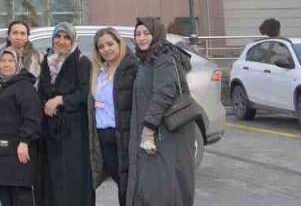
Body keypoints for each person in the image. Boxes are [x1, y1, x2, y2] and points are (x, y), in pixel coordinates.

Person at [127, 17, 196, 206]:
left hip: (164, 133)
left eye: (146, 33)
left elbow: (165, 93)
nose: (141, 38)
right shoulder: (146, 59)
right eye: (138, 34)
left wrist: (148, 129)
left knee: (163, 187)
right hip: (156, 133)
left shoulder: (163, 56)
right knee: (155, 186)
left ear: (157, 34)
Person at [39, 23, 94, 206]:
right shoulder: (47, 62)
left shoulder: (81, 62)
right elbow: (41, 92)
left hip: (74, 133)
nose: (61, 41)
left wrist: (60, 100)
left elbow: (84, 93)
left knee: (73, 180)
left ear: (73, 40)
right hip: (51, 132)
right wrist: (45, 104)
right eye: (58, 36)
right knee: (53, 181)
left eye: (66, 37)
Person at [0, 49, 42, 206]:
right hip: (1, 152)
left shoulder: (24, 86)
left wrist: (25, 141)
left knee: (21, 197)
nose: (6, 64)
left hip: (19, 152)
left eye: (11, 61)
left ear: (18, 64)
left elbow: (32, 117)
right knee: (6, 198)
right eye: (3, 61)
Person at [91, 27, 138, 206]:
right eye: (101, 47)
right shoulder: (100, 71)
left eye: (110, 44)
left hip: (123, 136)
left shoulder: (131, 69)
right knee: (121, 184)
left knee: (128, 186)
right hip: (103, 137)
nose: (106, 49)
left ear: (119, 43)